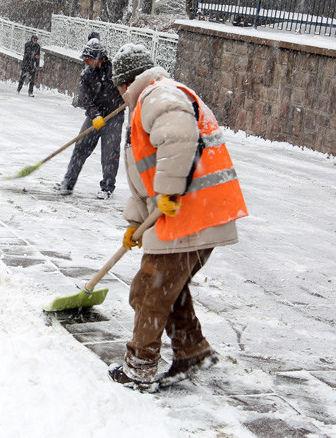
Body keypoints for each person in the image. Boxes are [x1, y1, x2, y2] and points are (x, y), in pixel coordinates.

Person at [106, 43, 248, 392]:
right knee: (169, 288)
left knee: (149, 291)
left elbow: (179, 139)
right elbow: (145, 176)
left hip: (190, 213)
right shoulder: (151, 101)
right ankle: (192, 351)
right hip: (195, 212)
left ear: (125, 83)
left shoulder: (157, 95)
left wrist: (169, 191)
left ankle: (140, 367)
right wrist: (134, 224)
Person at [55, 38, 124, 199]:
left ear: (98, 58)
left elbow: (126, 91)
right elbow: (84, 98)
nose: (85, 62)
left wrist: (125, 100)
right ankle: (68, 183)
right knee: (80, 147)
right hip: (95, 117)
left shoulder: (115, 71)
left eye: (88, 59)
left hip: (114, 117)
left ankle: (107, 188)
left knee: (110, 153)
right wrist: (95, 115)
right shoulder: (87, 74)